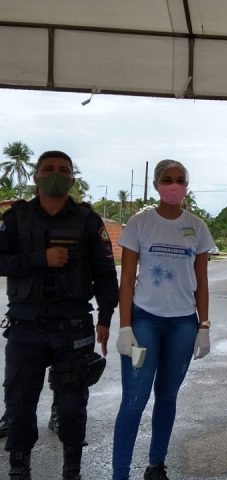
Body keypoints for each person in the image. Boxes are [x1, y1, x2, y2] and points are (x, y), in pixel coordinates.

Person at [0, 150, 119, 480]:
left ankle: (72, 470)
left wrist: (105, 318)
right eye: (49, 169)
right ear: (36, 176)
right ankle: (19, 470)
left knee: (72, 407)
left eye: (64, 169)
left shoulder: (87, 220)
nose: (56, 174)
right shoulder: (15, 218)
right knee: (19, 405)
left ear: (72, 177)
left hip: (74, 326)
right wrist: (40, 258)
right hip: (25, 326)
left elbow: (105, 273)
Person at [112, 160, 213, 480]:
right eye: (167, 179)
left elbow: (202, 280)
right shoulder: (140, 223)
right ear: (156, 185)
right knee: (134, 400)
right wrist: (125, 326)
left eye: (180, 180)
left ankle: (156, 464)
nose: (174, 185)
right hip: (144, 322)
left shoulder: (197, 227)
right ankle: (119, 474)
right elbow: (127, 279)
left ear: (187, 186)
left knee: (167, 396)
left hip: (183, 324)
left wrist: (204, 325)